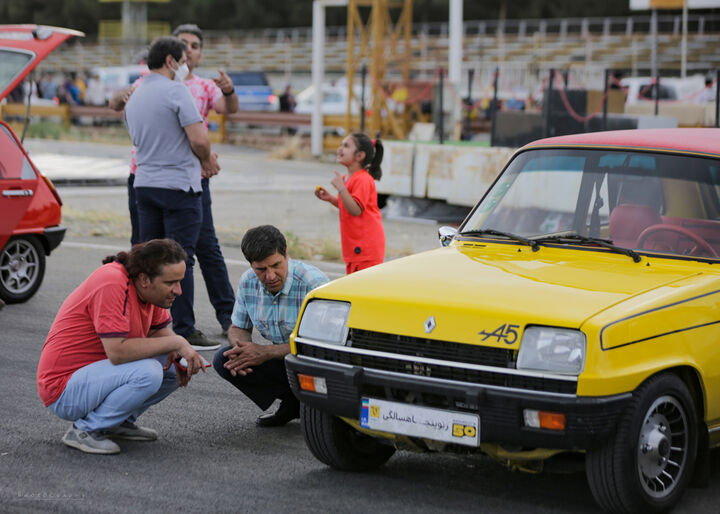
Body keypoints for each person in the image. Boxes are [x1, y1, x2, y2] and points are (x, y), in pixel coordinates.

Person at [111, 24, 238, 349]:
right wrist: (207, 157)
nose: (185, 63)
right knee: (180, 257)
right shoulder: (176, 90)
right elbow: (198, 138)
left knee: (146, 255)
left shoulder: (138, 93)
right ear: (170, 61)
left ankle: (140, 322)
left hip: (145, 183)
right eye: (181, 56)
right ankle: (183, 327)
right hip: (180, 185)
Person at [36, 239, 207, 455]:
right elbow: (117, 352)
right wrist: (178, 342)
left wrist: (181, 352)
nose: (179, 290)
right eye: (171, 282)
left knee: (174, 365)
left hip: (95, 376)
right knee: (149, 372)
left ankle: (117, 422)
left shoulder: (150, 293)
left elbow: (158, 331)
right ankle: (84, 430)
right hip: (63, 388)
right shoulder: (112, 282)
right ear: (145, 279)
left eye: (180, 281)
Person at [212, 225, 329, 427]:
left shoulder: (313, 283)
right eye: (261, 269)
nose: (270, 276)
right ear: (251, 265)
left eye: (276, 265)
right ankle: (292, 403)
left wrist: (266, 352)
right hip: (285, 361)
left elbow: (323, 345)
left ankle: (322, 410)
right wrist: (243, 350)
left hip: (316, 361)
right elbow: (238, 327)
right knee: (224, 359)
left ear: (286, 256)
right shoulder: (248, 281)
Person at [314, 133, 386, 274]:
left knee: (362, 291)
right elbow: (347, 206)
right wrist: (331, 198)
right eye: (341, 144)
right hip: (355, 247)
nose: (340, 148)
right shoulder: (347, 178)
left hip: (366, 249)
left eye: (346, 146)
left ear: (359, 156)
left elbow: (356, 210)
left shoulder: (363, 179)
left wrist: (341, 188)